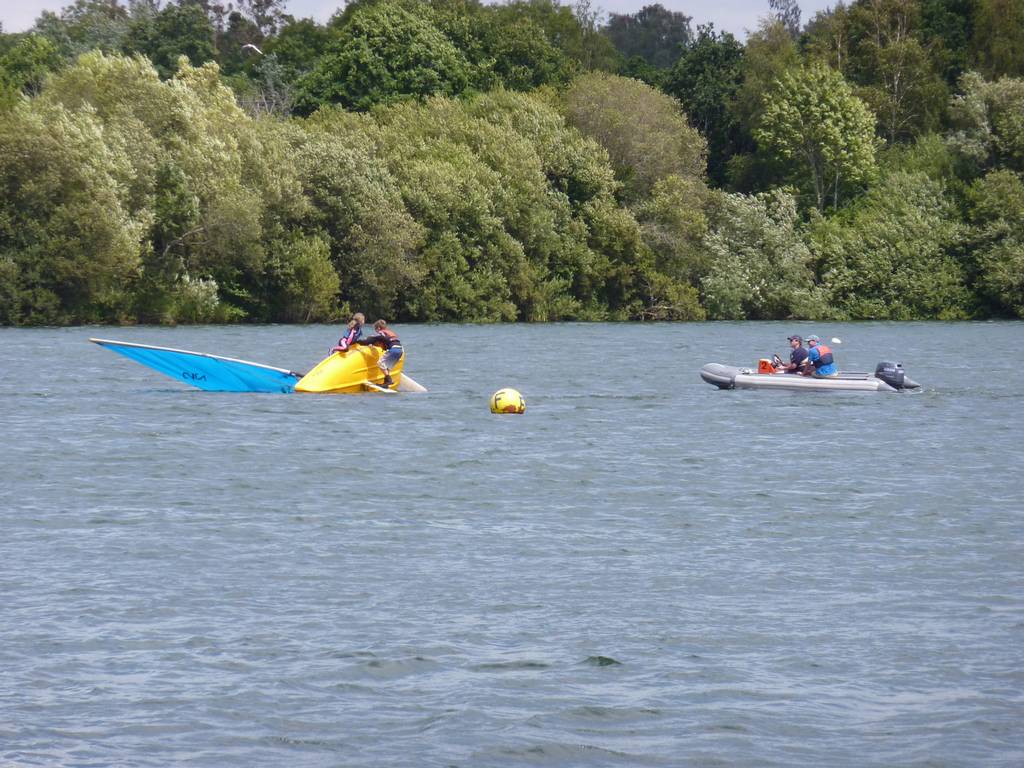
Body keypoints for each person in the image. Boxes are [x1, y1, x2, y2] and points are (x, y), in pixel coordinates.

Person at [356, 319, 403, 387]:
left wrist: (357, 341)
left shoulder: (381, 334)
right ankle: (386, 383)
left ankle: (389, 380)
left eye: (376, 330)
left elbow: (369, 340)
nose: (376, 332)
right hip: (400, 350)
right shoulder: (389, 332)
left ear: (378, 328)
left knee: (380, 363)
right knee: (386, 366)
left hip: (393, 350)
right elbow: (385, 342)